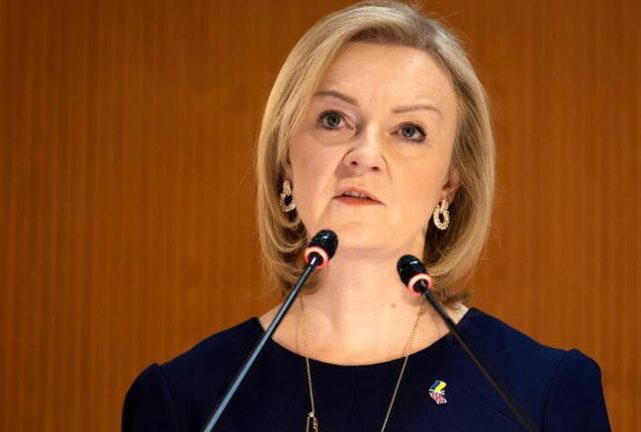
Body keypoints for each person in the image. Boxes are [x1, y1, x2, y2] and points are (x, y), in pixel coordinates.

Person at [122, 1, 611, 431]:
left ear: (450, 181)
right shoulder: (185, 401)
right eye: (334, 119)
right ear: (286, 158)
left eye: (409, 130)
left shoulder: (542, 396)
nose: (365, 154)